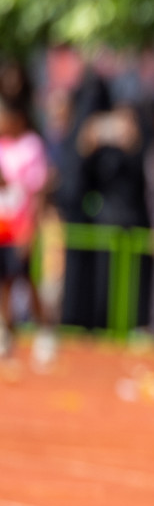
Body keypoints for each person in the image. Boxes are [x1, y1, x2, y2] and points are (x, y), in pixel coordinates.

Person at [0, 97, 51, 360]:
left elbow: (38, 190)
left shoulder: (31, 146)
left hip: (22, 224)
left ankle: (45, 331)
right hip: (2, 225)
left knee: (26, 278)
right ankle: (6, 333)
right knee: (4, 283)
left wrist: (32, 228)